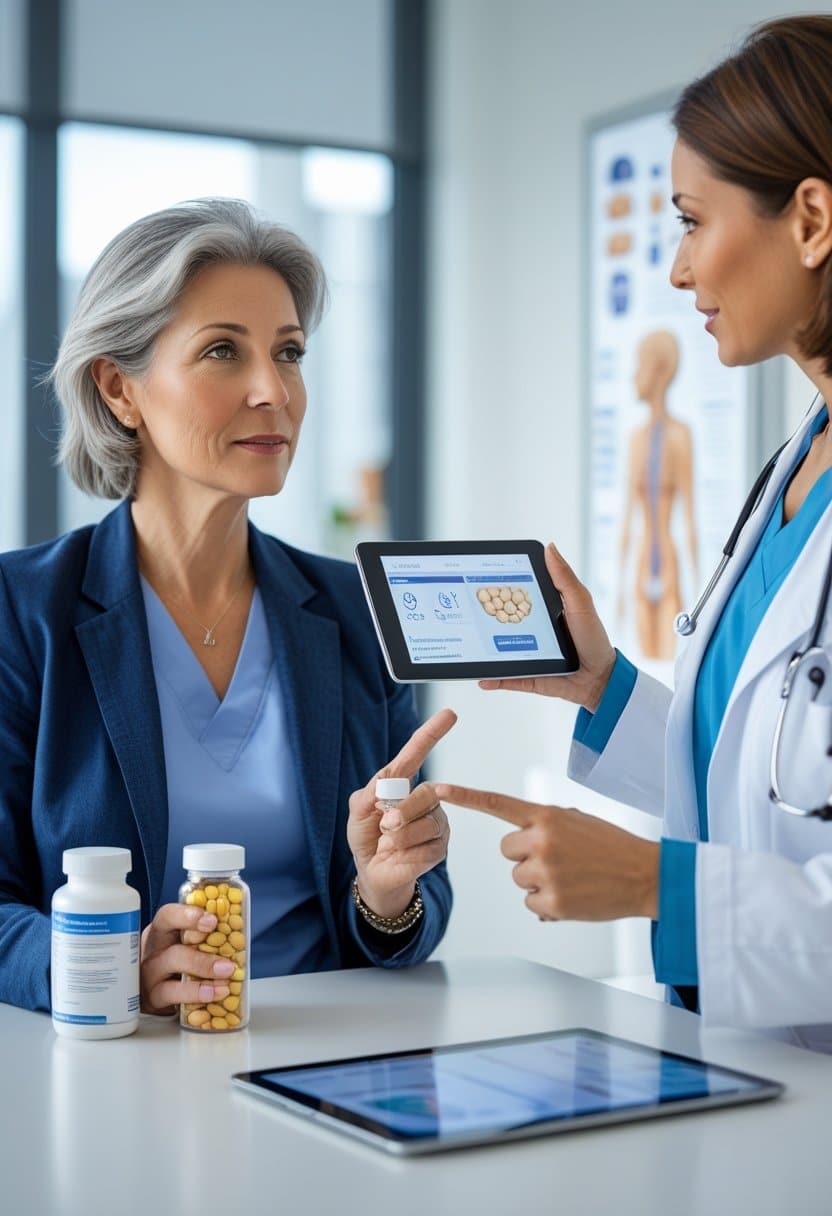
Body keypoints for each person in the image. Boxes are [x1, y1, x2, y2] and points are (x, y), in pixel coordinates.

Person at [437, 15, 832, 1051]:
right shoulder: (798, 465)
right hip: (751, 1071)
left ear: (811, 219)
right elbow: (772, 784)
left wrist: (657, 885)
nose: (677, 270)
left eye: (693, 222)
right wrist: (605, 687)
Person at [0, 198, 453, 1015]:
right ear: (119, 388)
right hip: (114, 1059)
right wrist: (105, 963)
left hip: (328, 1055)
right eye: (222, 351)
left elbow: (412, 905)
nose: (272, 391)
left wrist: (385, 895)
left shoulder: (356, 611)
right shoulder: (21, 610)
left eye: (289, 353)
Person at [618, 330, 697, 660]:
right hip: (640, 567)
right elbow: (627, 520)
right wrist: (618, 590)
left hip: (667, 564)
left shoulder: (680, 436)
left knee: (669, 663)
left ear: (661, 370)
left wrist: (701, 592)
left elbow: (690, 517)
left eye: (641, 366)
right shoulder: (636, 440)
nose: (634, 376)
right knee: (645, 664)